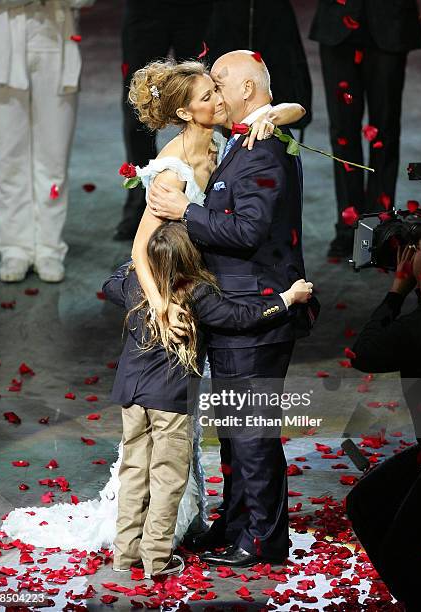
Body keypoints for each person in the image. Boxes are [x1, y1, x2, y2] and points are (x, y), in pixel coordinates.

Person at [0, 221, 313, 576]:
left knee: (134, 472)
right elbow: (243, 317)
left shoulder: (135, 286)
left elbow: (110, 281)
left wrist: (142, 264)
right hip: (169, 400)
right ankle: (157, 559)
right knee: (167, 477)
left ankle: (125, 554)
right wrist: (287, 299)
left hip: (131, 396)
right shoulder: (197, 294)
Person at [138, 51, 317, 566]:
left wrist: (184, 212)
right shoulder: (245, 138)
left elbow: (247, 231)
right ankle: (236, 521)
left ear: (244, 89)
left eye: (219, 81)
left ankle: (262, 538)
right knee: (237, 432)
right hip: (234, 310)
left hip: (257, 312)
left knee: (252, 432)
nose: (214, 91)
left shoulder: (262, 148)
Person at [347, 221, 421, 608]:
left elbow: (364, 353)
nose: (406, 257)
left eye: (412, 250)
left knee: (397, 553)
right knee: (367, 503)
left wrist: (396, 292)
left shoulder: (418, 327)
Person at [0, 0, 95, 283]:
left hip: (57, 55)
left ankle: (49, 247)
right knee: (10, 161)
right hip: (5, 58)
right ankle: (15, 248)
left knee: (54, 160)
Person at [309, 0, 421, 258]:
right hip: (338, 24)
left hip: (389, 22)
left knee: (384, 130)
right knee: (343, 131)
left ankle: (380, 227)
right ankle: (348, 228)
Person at [114, 0, 214, 241]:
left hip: (195, 9)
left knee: (203, 92)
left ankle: (206, 192)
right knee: (139, 100)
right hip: (145, 10)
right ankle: (142, 201)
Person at [206, 0, 312, 132]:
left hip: (270, 21)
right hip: (229, 18)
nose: (216, 96)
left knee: (274, 80)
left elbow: (299, 109)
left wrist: (268, 117)